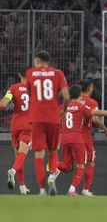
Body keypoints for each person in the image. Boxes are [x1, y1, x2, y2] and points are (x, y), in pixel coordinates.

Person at [54, 85, 107, 195]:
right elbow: (98, 114)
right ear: (80, 95)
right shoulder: (81, 107)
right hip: (78, 138)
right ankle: (72, 190)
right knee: (81, 165)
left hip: (64, 138)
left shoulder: (63, 107)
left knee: (69, 167)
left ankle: (54, 164)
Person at [26, 50, 70, 196]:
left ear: (37, 62)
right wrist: (63, 111)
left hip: (37, 119)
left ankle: (42, 189)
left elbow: (30, 93)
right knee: (53, 151)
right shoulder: (58, 74)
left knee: (39, 154)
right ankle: (52, 175)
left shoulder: (30, 74)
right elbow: (66, 97)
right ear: (49, 62)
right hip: (54, 118)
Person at [79, 79, 107, 196]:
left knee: (72, 165)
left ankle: (56, 167)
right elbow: (96, 119)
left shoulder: (73, 101)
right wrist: (106, 130)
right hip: (85, 136)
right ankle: (85, 190)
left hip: (71, 135)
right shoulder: (92, 102)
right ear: (90, 88)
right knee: (90, 162)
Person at [0, 66, 31, 194]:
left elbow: (3, 104)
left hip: (15, 125)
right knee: (22, 155)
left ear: (19, 75)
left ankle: (22, 187)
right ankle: (12, 170)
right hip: (29, 125)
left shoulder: (13, 88)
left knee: (18, 155)